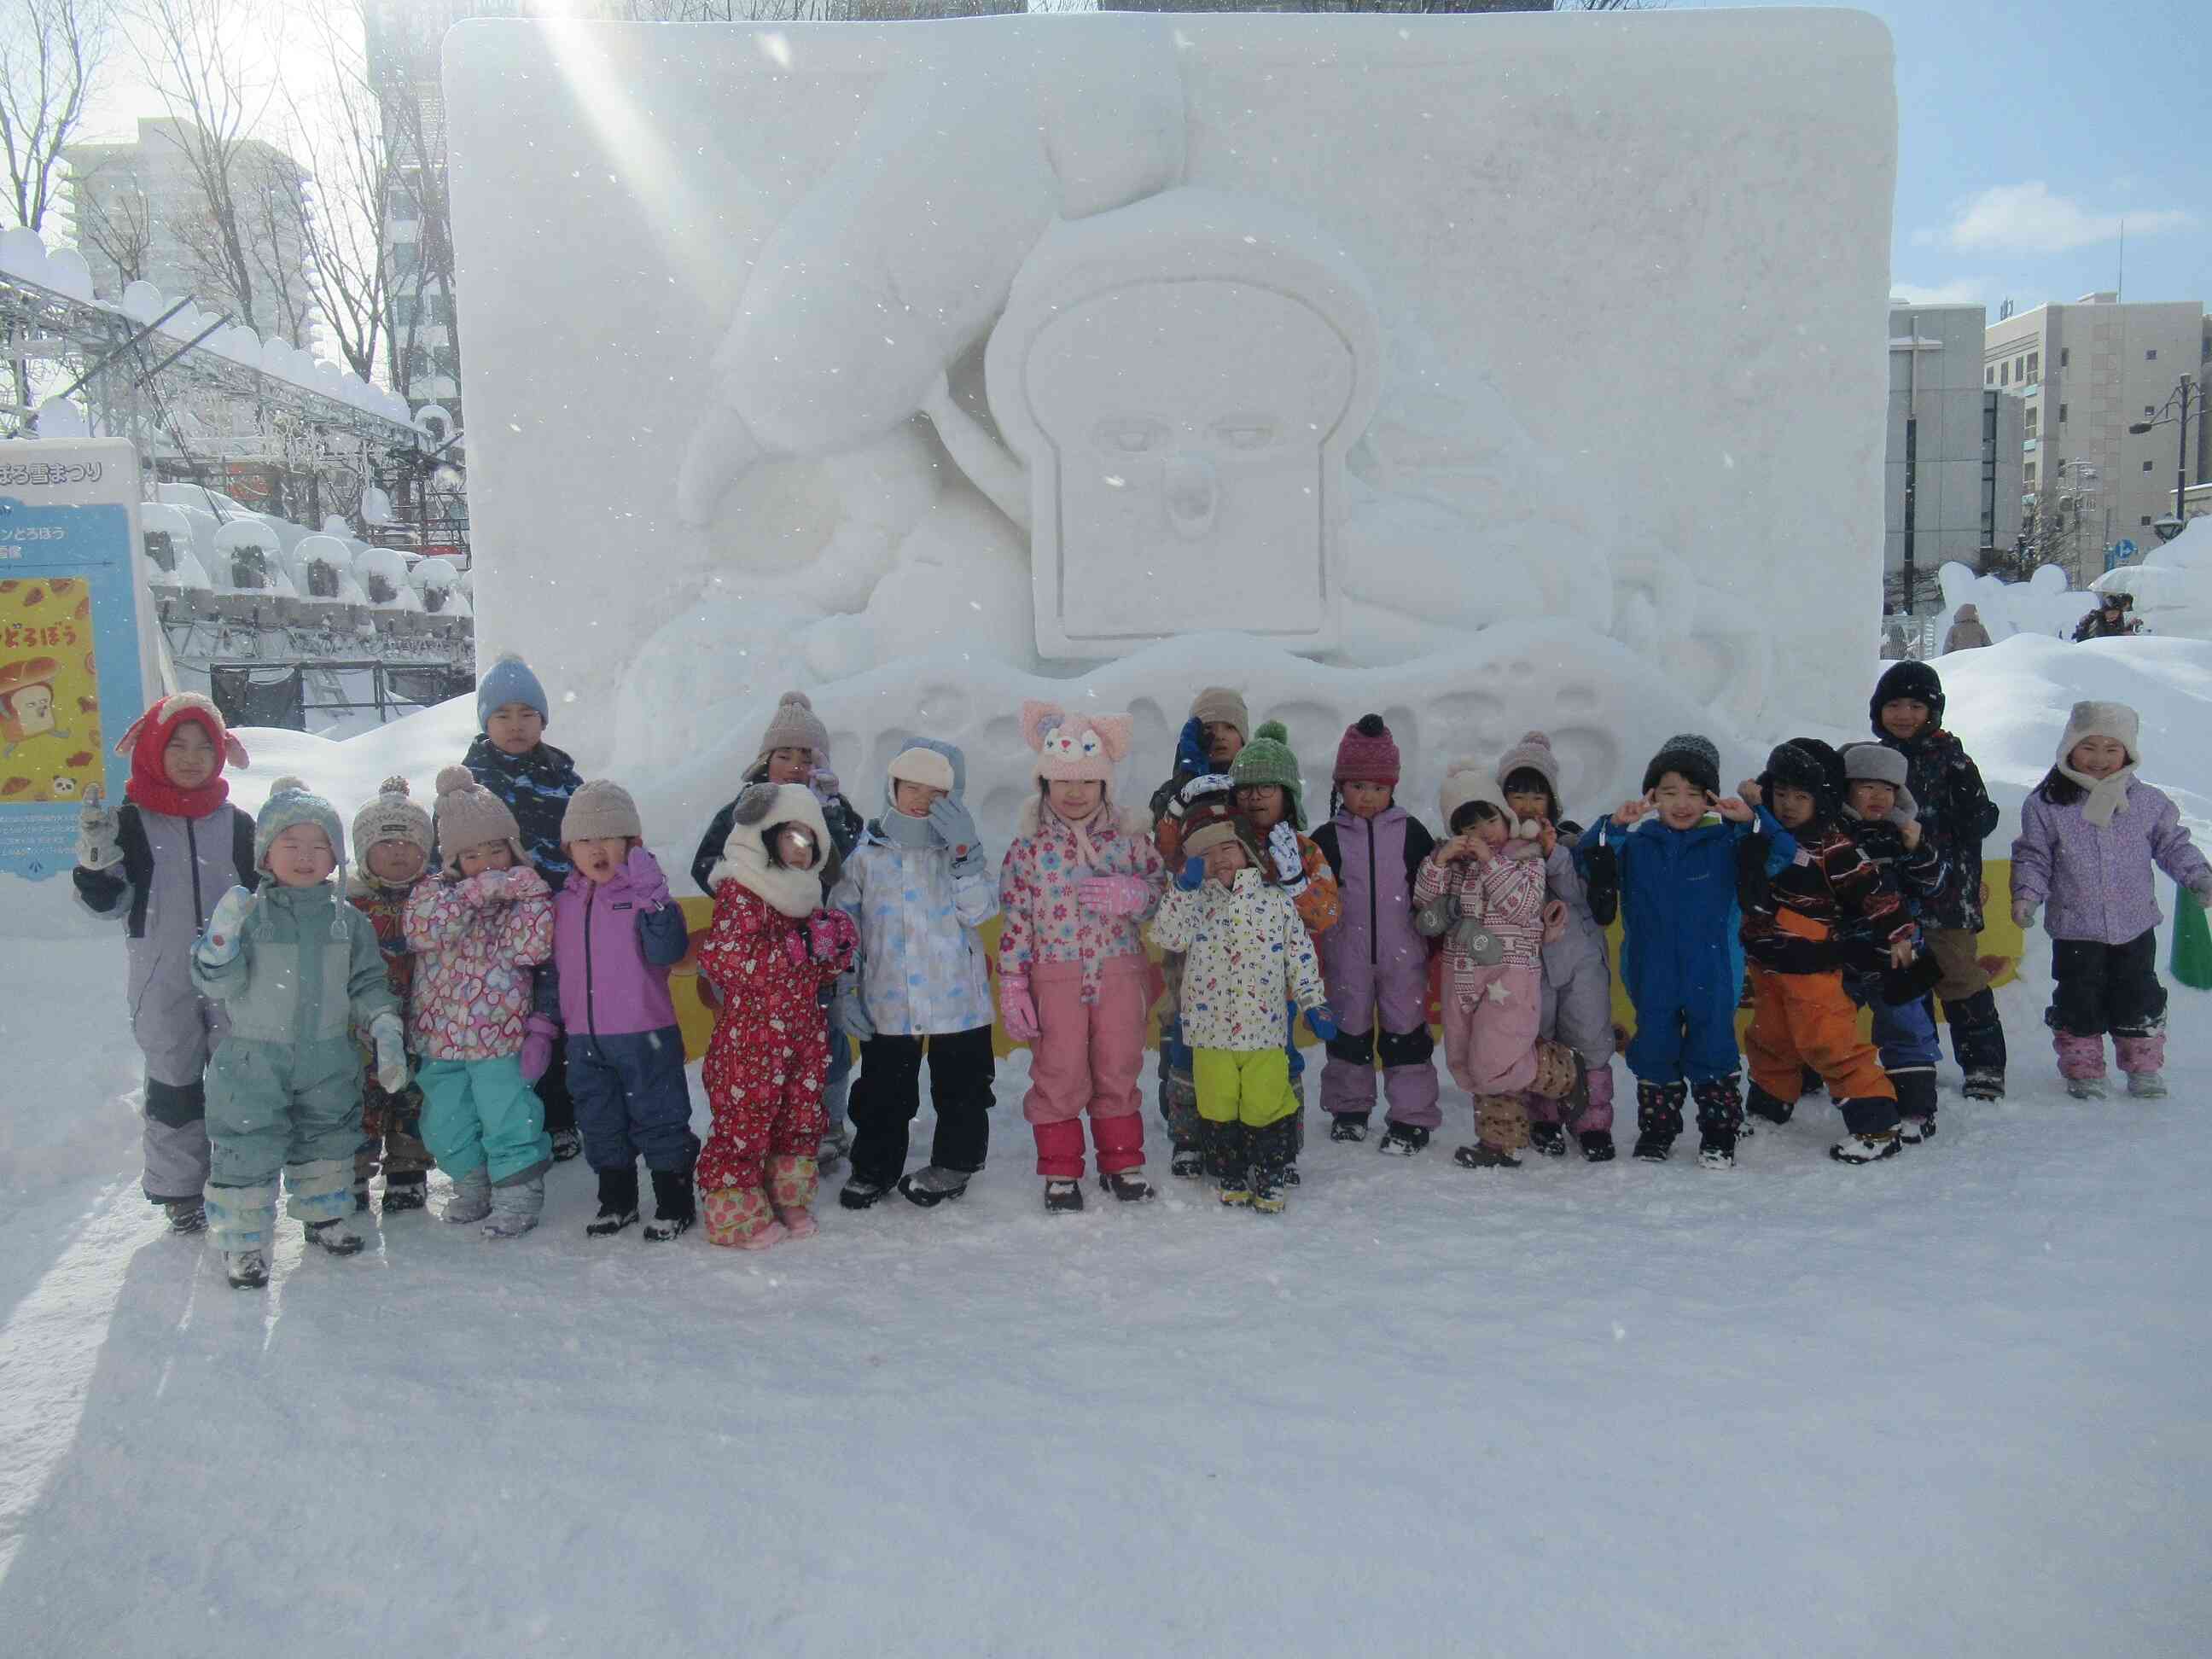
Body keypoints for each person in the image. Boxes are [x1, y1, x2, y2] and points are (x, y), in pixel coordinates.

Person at [191, 777, 406, 1289]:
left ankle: (325, 1215)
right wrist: (219, 942)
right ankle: (243, 1242)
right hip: (254, 1059)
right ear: (268, 853)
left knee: (328, 1135)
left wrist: (384, 1024)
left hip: (329, 1055)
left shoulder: (347, 922)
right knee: (247, 1143)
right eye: (292, 845)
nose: (306, 857)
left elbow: (368, 981)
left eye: (319, 847)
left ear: (336, 858)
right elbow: (218, 982)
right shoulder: (248, 915)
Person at [72, 693, 256, 1234]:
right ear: (153, 748)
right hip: (161, 976)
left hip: (233, 976)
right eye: (177, 744)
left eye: (205, 746)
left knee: (235, 1080)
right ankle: (180, 1190)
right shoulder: (127, 823)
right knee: (174, 1081)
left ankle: (238, 1177)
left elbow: (261, 897)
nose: (191, 757)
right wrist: (95, 871)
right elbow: (107, 905)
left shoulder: (237, 824)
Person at [1577, 733, 1789, 1165]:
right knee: (1654, 1049)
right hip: (1651, 971)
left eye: (1694, 793)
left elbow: (1782, 853)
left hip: (1712, 971)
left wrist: (1752, 818)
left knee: (1714, 1049)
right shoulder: (1637, 845)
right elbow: (1588, 860)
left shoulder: (1729, 845)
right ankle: (1658, 1130)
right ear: (1652, 795)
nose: (1682, 803)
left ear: (1710, 796)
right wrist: (1614, 826)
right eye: (1669, 792)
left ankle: (1718, 1133)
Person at [997, 700, 1167, 1212]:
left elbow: (1162, 891)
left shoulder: (1132, 840)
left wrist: (1135, 894)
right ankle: (1061, 1172)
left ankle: (1123, 1163)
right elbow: (1015, 920)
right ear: (1045, 784)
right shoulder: (1027, 849)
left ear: (1104, 785)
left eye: (1087, 782)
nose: (1075, 793)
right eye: (1063, 781)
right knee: (1060, 1072)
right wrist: (1013, 982)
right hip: (1056, 978)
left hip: (1118, 974)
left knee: (1118, 1066)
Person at [691, 690, 866, 1171]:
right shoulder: (745, 808)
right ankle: (760, 1126)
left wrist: (830, 811)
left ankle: (826, 1123)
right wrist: (750, 892)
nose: (793, 766)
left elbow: (848, 865)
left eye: (805, 757)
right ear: (764, 761)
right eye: (783, 755)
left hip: (817, 957)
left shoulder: (834, 808)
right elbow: (705, 864)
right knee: (756, 1051)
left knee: (824, 1040)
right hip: (758, 959)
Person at [2011, 701, 2211, 1100]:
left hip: (2133, 924)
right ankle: (2083, 1069)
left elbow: (2173, 845)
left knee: (2139, 997)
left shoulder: (2148, 802)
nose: (2100, 758)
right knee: (2078, 999)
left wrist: (2198, 876)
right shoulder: (2047, 804)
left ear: (2128, 753)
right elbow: (2034, 855)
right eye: (2089, 747)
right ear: (2069, 748)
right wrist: (2027, 895)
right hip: (2075, 926)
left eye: (2111, 748)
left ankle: (2144, 1068)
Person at [831, 740, 999, 1211]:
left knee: (963, 1091)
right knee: (883, 1093)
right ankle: (874, 1168)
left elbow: (981, 910)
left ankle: (956, 1162)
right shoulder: (866, 856)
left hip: (958, 1002)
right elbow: (846, 926)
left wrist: (966, 856)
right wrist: (846, 985)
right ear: (893, 786)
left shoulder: (961, 852)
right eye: (911, 786)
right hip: (889, 1003)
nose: (921, 799)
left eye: (936, 791)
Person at [533, 780, 700, 1242]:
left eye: (609, 837)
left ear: (633, 844)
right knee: (598, 1120)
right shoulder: (561, 906)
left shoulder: (647, 899)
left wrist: (653, 899)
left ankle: (674, 1200)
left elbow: (667, 952)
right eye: (584, 839)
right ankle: (617, 1200)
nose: (597, 849)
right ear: (569, 848)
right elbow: (552, 972)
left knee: (660, 1117)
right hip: (585, 1040)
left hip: (646, 1032)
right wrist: (543, 1027)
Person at [1147, 800, 1333, 1212]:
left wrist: (1313, 1002)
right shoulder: (1194, 903)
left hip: (1263, 1030)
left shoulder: (1274, 901)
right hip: (1209, 1034)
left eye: (1226, 849)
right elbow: (1167, 936)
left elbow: (1299, 954)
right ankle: (1230, 1172)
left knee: (1265, 1103)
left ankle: (1269, 1172)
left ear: (1246, 851)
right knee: (1218, 1105)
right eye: (1205, 854)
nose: (1218, 860)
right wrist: (1182, 891)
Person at [696, 783, 859, 1248]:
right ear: (766, 835)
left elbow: (815, 965)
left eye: (813, 842)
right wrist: (800, 946)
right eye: (794, 837)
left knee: (799, 1115)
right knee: (745, 1120)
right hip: (752, 1037)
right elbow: (731, 958)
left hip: (802, 1030)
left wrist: (835, 946)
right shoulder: (742, 891)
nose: (804, 850)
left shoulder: (803, 897)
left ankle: (784, 1192)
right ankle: (734, 1206)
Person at [1737, 742, 1913, 1165]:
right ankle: (1769, 1108)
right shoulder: (1757, 833)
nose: (1790, 806)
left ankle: (1877, 1123)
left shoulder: (1832, 845)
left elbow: (1873, 891)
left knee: (1829, 1041)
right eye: (1782, 795)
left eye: (1802, 797)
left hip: (1812, 963)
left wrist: (1899, 933)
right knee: (1770, 1039)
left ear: (1822, 798)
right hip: (1766, 960)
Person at [405, 767, 556, 1239]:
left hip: (500, 1037)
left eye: (496, 850)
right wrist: (473, 892)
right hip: (440, 1037)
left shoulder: (524, 899)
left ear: (512, 848)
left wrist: (525, 890)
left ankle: (516, 1193)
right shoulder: (432, 894)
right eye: (472, 855)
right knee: (444, 1124)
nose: (488, 864)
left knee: (508, 1116)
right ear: (452, 859)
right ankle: (471, 1183)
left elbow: (530, 949)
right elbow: (424, 932)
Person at [1416, 765, 1588, 1171]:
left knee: (1495, 1059)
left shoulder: (1525, 856)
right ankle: (1501, 1142)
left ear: (1505, 816)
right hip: (1461, 975)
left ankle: (1563, 1071)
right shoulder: (1453, 863)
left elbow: (1523, 906)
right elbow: (1425, 902)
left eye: (1490, 819)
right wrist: (1441, 860)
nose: (1484, 833)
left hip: (1509, 974)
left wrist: (1490, 862)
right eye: (1470, 827)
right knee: (1465, 1061)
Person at [460, 653, 586, 1162]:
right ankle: (504, 1121)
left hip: (553, 924)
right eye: (503, 715)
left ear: (543, 720)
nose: (516, 726)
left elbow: (584, 842)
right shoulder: (468, 783)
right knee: (498, 1026)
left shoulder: (563, 778)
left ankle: (558, 1116)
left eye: (527, 715)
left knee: (551, 1022)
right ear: (486, 722)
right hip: (488, 932)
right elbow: (447, 855)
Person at [1867, 661, 2008, 1097]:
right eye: (1894, 705)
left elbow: (1981, 822)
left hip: (1948, 893)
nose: (1904, 714)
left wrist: (1964, 801)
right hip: (1890, 897)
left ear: (1934, 711)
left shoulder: (1953, 759)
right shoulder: (1872, 761)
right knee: (1906, 981)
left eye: (1915, 705)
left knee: (1959, 976)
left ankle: (1983, 1065)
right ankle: (1916, 1061)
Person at [1313, 713, 1440, 1153]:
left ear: (1393, 788)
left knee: (1406, 1034)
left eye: (1378, 788)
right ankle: (1349, 1108)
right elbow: (1312, 895)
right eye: (1357, 786)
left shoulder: (1411, 833)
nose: (1367, 797)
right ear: (1340, 786)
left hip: (1403, 955)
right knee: (1349, 1031)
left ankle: (1411, 1116)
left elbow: (1429, 889)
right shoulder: (1326, 838)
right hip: (1346, 953)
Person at [1229, 719, 1342, 1183]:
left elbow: (1326, 913)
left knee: (1280, 1061)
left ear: (1288, 795)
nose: (1256, 797)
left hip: (1280, 980)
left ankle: (1280, 1147)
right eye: (1247, 788)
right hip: (1225, 978)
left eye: (1268, 787)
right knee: (1227, 1062)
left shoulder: (1305, 849)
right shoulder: (1225, 845)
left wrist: (1296, 884)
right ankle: (1230, 1146)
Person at [1144, 687, 1250, 1177]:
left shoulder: (1255, 785)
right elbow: (1166, 852)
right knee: (1184, 1015)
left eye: (1229, 728)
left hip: (1249, 932)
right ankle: (1184, 1126)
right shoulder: (1173, 791)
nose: (1220, 738)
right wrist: (1189, 779)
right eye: (1210, 730)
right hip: (1193, 929)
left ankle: (1246, 1123)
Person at [1498, 731, 1617, 1161]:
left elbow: (1581, 897)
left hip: (1578, 959)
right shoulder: (1496, 847)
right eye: (1517, 793)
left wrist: (1553, 854)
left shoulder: (1568, 841)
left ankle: (1591, 1122)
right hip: (1529, 964)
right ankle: (1544, 1117)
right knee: (1539, 1040)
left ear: (1552, 801)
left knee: (1589, 1038)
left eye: (1537, 795)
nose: (1527, 805)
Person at [1833, 742, 1949, 1140]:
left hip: (1899, 951)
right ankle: (1828, 1088)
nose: (1878, 797)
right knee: (1828, 1023)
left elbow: (1933, 885)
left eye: (1888, 788)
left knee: (1907, 1026)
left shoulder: (1904, 834)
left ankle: (1917, 1107)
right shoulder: (1832, 834)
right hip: (1843, 951)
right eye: (1866, 786)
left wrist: (1918, 849)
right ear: (1846, 789)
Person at [346, 776, 437, 1214]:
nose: (398, 852)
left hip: (422, 1018)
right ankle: (354, 1170)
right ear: (364, 852)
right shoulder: (348, 905)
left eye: (409, 844)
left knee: (413, 1097)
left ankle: (408, 1168)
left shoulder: (437, 897)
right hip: (361, 1025)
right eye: (385, 844)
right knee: (361, 1097)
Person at [2072, 592, 2141, 642]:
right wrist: (2122, 635)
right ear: (2104, 611)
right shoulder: (2097, 620)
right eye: (2111, 613)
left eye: (2116, 613)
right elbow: (2100, 639)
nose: (2114, 615)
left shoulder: (2115, 620)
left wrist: (2130, 626)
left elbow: (2118, 630)